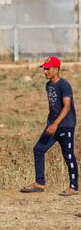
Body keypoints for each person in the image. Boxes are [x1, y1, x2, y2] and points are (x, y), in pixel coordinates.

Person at [21, 57, 78, 196]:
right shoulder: (49, 85)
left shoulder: (64, 85)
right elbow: (53, 107)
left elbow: (67, 106)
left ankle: (74, 187)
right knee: (38, 149)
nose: (45, 71)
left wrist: (56, 123)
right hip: (52, 126)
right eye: (44, 68)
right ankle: (40, 183)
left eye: (48, 68)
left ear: (56, 69)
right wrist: (50, 123)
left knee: (68, 155)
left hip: (65, 126)